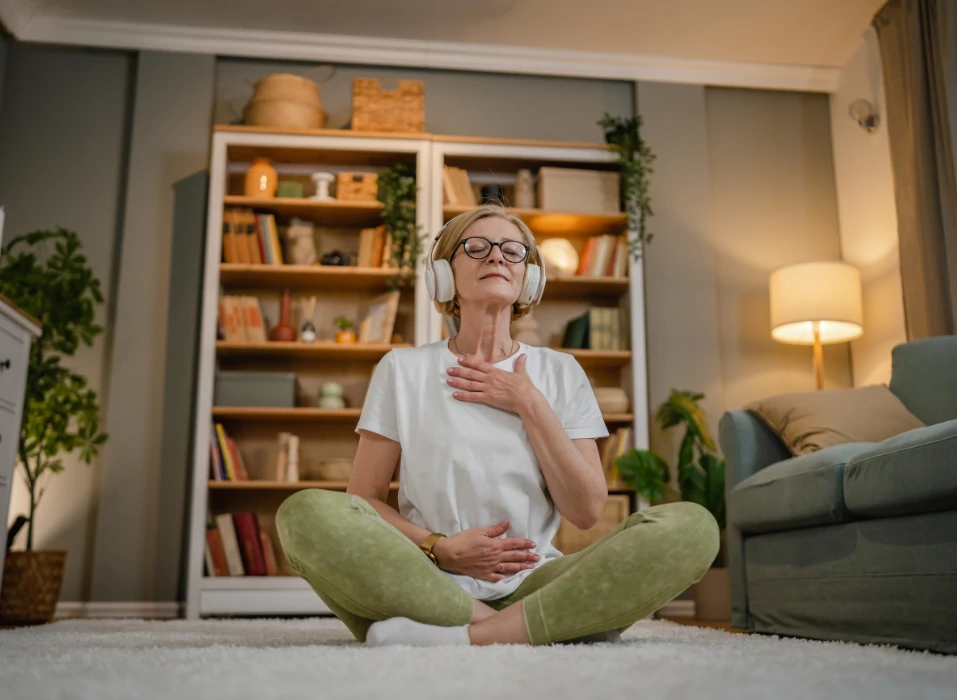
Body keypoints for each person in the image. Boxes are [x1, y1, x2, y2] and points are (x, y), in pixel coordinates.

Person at [275, 205, 719, 647]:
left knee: (693, 527)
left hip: (537, 583)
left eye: (512, 250)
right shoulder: (402, 369)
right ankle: (534, 628)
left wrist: (529, 402)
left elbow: (585, 512)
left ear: (529, 277)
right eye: (477, 247)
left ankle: (465, 637)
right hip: (426, 581)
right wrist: (438, 546)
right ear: (444, 275)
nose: (497, 257)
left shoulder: (561, 372)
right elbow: (364, 500)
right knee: (303, 513)